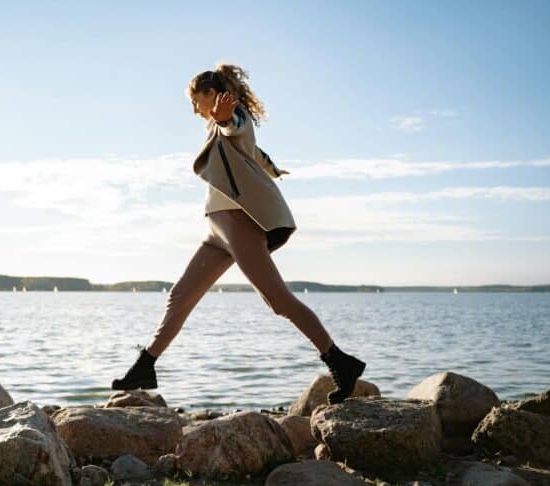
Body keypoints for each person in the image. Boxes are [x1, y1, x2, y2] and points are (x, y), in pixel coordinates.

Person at [111, 63, 366, 405]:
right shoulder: (216, 129)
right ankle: (145, 366)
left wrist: (224, 118)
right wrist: (272, 167)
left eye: (195, 99)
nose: (193, 107)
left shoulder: (233, 117)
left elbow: (236, 127)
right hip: (217, 228)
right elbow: (253, 153)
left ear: (213, 96)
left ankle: (339, 361)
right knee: (180, 295)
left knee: (278, 300)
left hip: (238, 222)